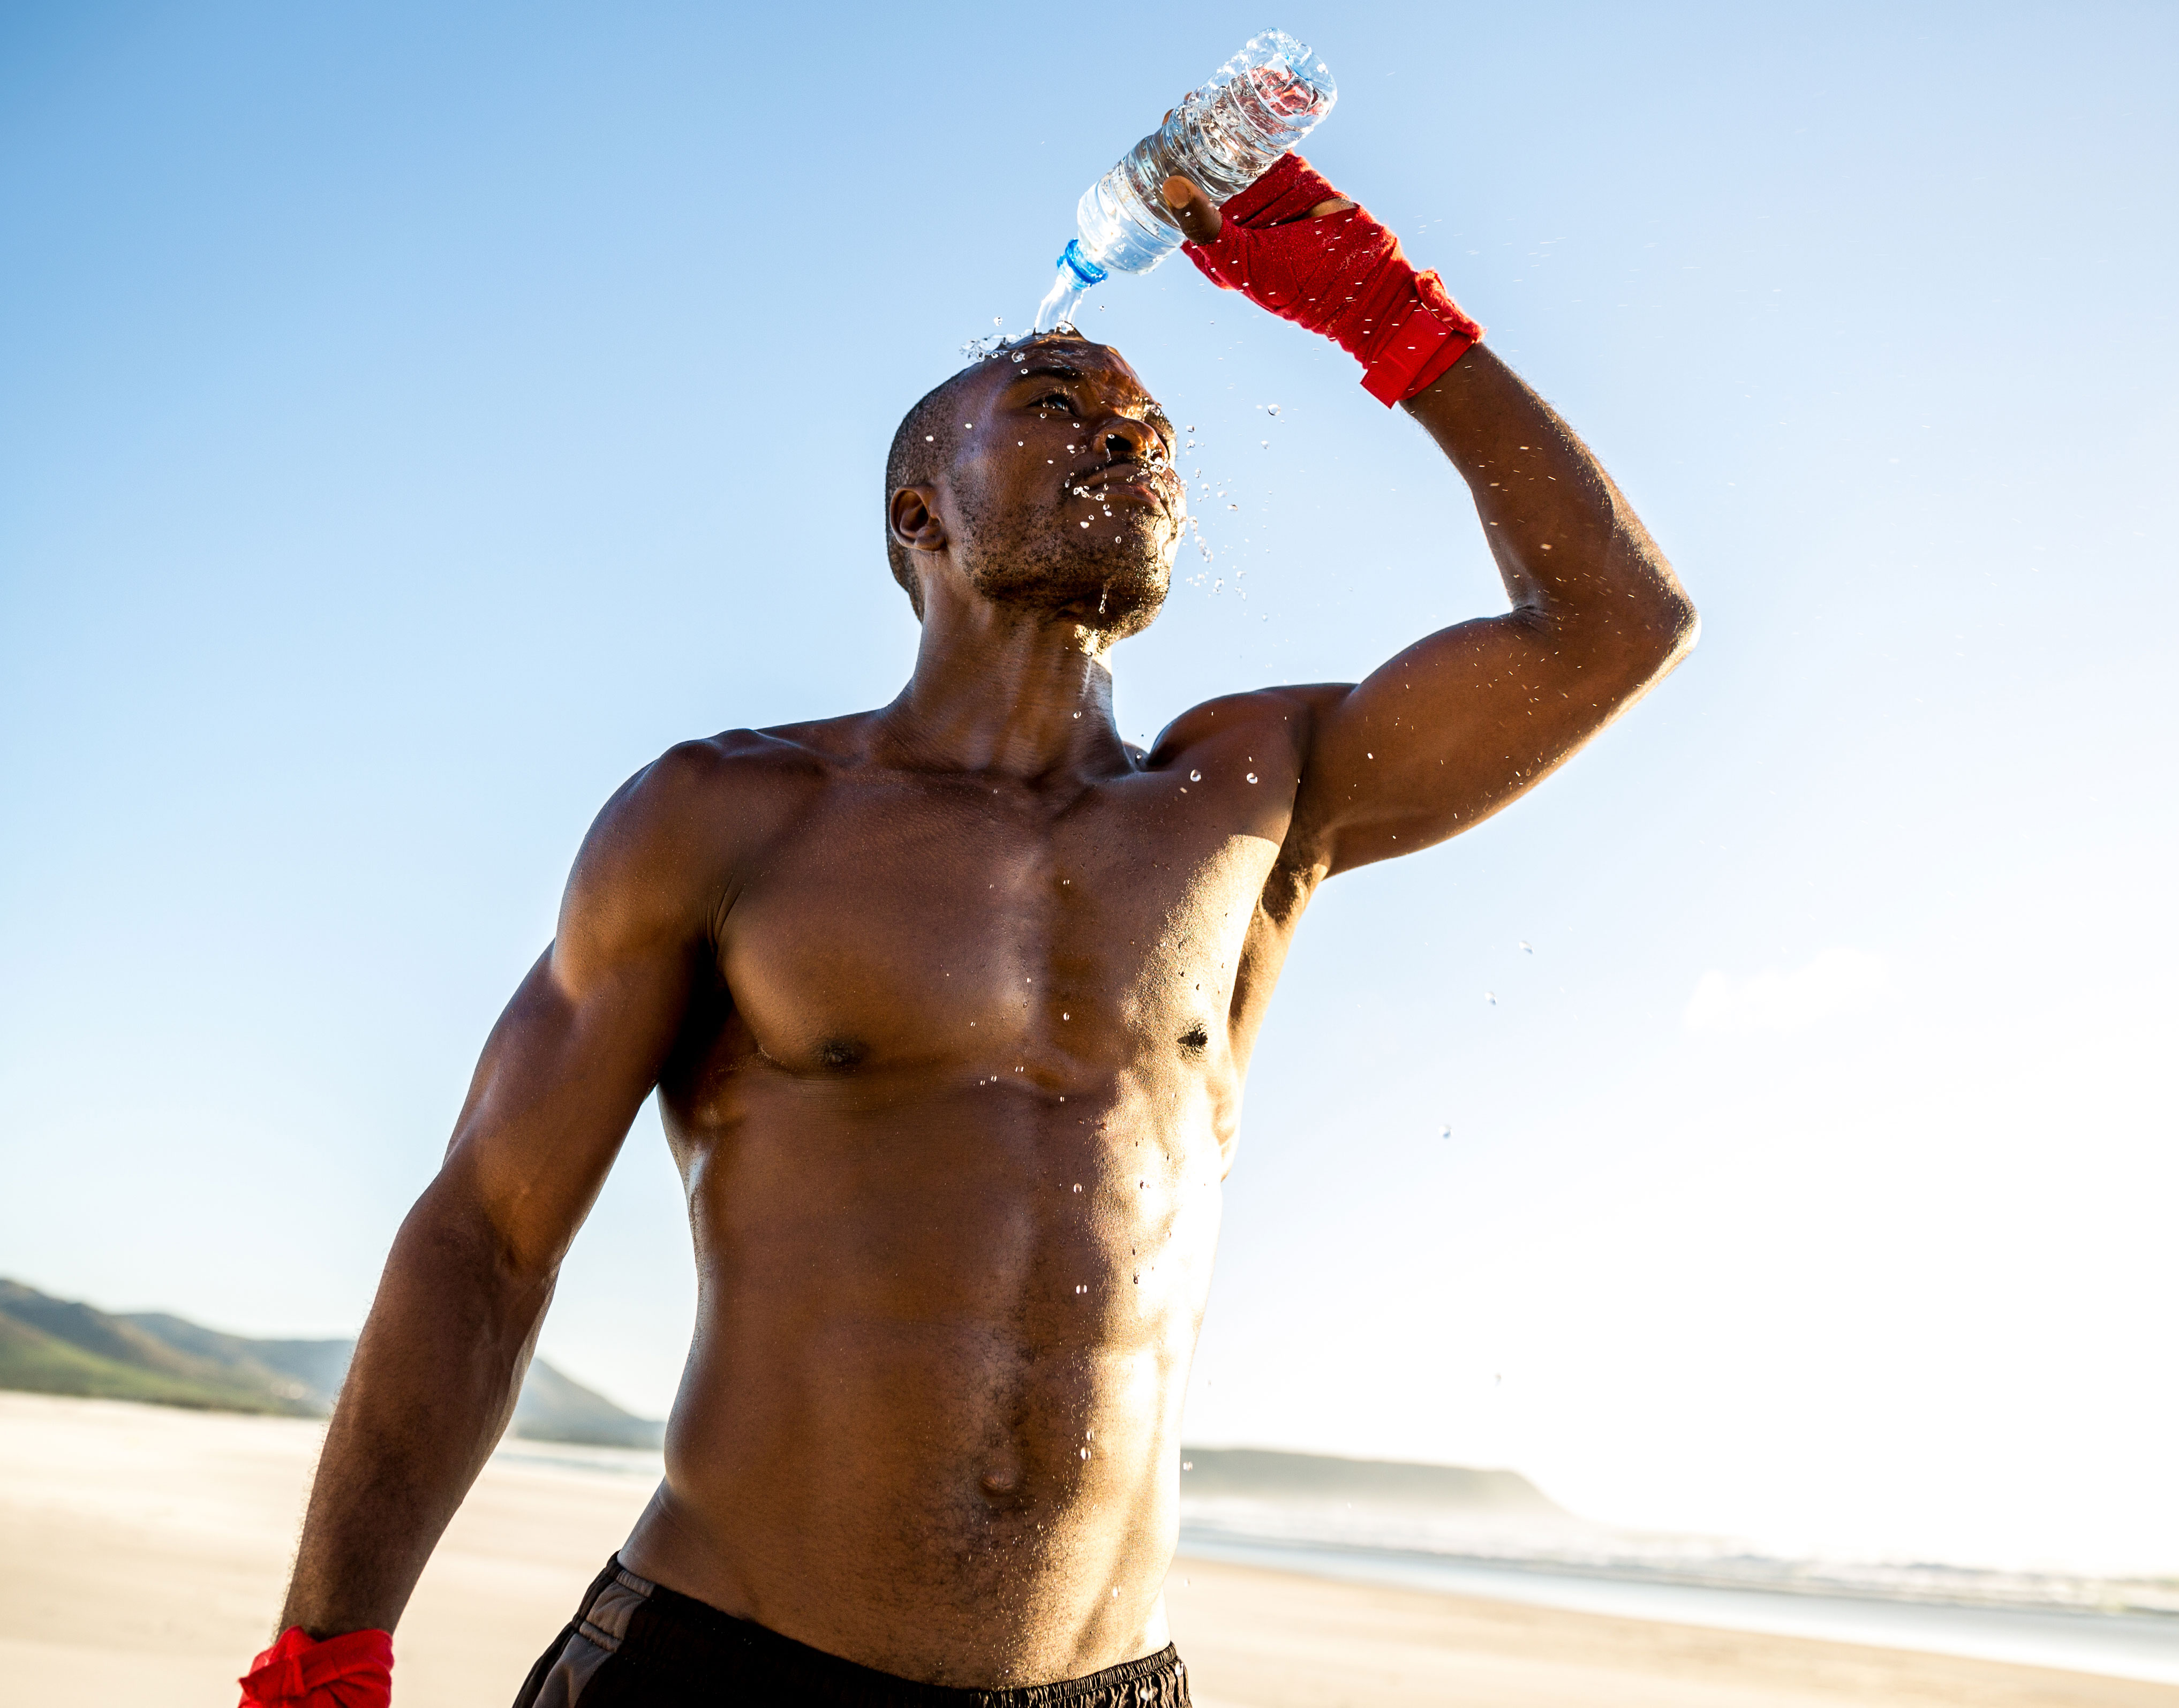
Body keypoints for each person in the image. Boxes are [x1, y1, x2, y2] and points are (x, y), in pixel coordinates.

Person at [237, 154, 1695, 1708]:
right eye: (1060, 403)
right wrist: (328, 1647)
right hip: (730, 1669)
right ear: (918, 512)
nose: (1123, 437)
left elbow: (1615, 624)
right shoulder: (734, 816)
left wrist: (1384, 312)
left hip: (1108, 1687)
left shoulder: (1255, 794)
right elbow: (487, 1236)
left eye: (1148, 432)